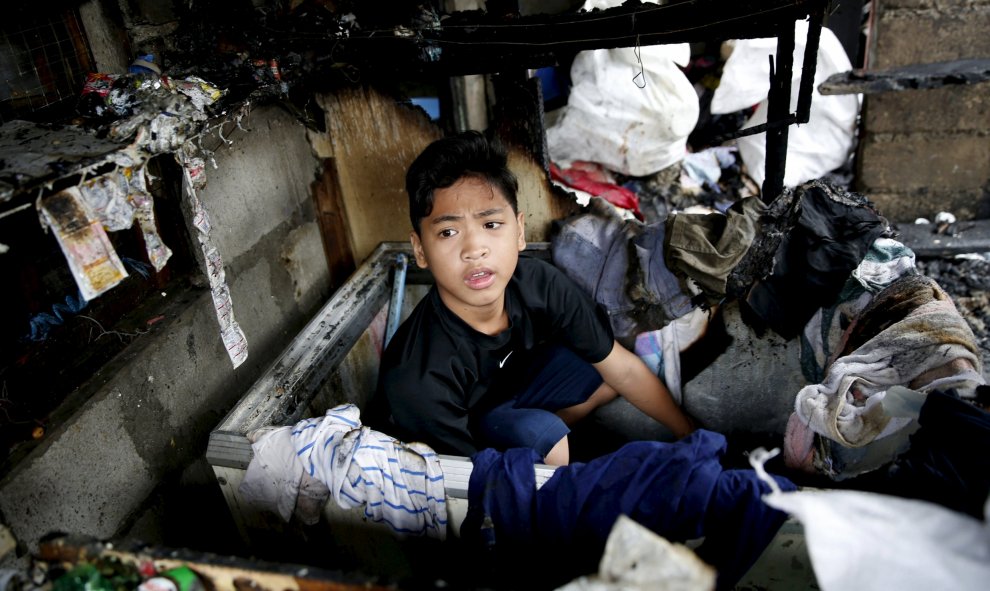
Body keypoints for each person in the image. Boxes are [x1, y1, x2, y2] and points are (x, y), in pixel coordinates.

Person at [370, 130, 695, 465]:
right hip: (468, 438)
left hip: (514, 390)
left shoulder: (537, 283)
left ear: (520, 231)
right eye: (448, 232)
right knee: (546, 439)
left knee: (607, 367)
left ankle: (547, 432)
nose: (474, 249)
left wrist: (690, 436)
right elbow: (470, 489)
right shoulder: (418, 379)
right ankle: (538, 454)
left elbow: (623, 370)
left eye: (492, 224)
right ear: (420, 250)